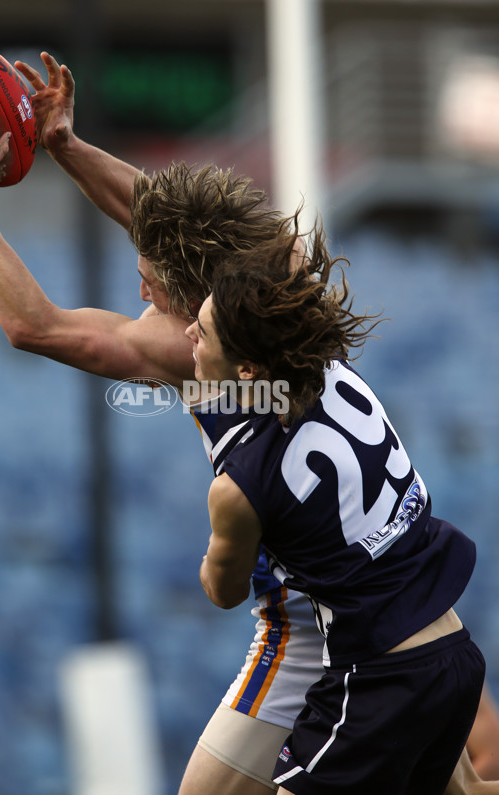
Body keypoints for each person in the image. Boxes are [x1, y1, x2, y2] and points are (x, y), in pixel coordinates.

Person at [0, 53, 498, 795]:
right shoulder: (269, 290)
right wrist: (64, 145)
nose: (139, 277)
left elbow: (36, 326)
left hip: (324, 621)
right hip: (398, 602)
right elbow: (164, 221)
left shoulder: (196, 354)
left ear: (199, 318)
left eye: (151, 278)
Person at [185, 223, 487, 793]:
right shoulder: (330, 366)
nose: (185, 336)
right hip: (453, 652)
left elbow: (222, 592)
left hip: (380, 678)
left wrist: (216, 551)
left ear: (247, 369)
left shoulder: (239, 485)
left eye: (200, 333)